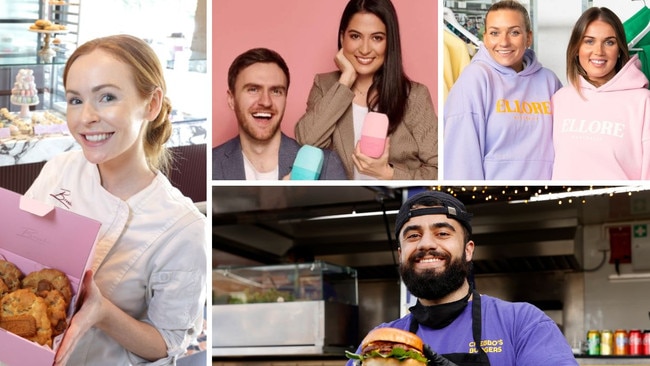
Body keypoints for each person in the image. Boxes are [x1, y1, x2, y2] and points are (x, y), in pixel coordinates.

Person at [24, 34, 207, 365]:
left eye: (106, 97)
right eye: (75, 100)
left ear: (151, 104)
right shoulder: (59, 168)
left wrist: (101, 312)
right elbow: (18, 249)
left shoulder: (184, 228)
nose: (86, 117)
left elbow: (168, 342)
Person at [345, 190, 578, 366]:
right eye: (414, 235)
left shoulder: (523, 324)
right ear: (400, 255)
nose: (426, 243)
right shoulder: (378, 342)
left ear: (468, 250)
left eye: (443, 233)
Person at [294, 0, 437, 180]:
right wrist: (345, 80)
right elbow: (307, 141)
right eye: (355, 36)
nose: (365, 49)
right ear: (342, 38)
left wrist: (388, 173)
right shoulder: (325, 86)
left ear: (389, 42)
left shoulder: (414, 96)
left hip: (393, 197)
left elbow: (438, 169)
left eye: (377, 38)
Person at [444, 0, 562, 180]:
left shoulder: (549, 81)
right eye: (494, 33)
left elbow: (565, 144)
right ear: (485, 38)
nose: (504, 42)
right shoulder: (474, 79)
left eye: (514, 32)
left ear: (528, 37)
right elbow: (461, 160)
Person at [212, 48, 347, 180]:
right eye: (253, 89)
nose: (266, 102)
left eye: (276, 91)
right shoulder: (211, 165)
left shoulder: (327, 165)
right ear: (231, 99)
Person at [552, 7, 650, 180]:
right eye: (589, 41)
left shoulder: (643, 102)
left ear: (620, 49)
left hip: (623, 206)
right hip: (562, 205)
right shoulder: (560, 99)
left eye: (609, 42)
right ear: (576, 48)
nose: (598, 51)